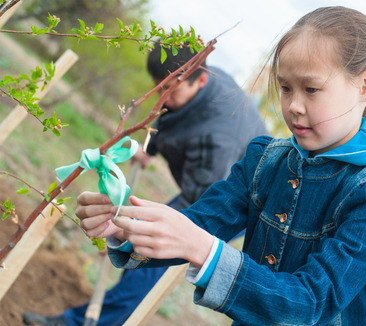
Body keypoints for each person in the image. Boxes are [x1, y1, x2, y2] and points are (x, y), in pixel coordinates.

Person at [74, 6, 366, 325]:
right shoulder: (266, 159)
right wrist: (125, 226)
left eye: (311, 89)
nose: (293, 106)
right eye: (286, 88)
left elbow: (311, 303)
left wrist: (202, 248)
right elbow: (202, 222)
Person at [23, 41, 268, 326]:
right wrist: (148, 150)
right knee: (141, 249)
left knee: (150, 259)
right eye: (159, 86)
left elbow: (198, 205)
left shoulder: (214, 137)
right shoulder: (196, 79)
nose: (162, 97)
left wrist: (132, 240)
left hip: (238, 202)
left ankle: (82, 323)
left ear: (200, 80)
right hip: (209, 182)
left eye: (170, 90)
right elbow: (169, 112)